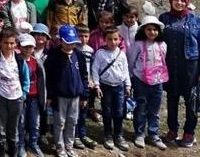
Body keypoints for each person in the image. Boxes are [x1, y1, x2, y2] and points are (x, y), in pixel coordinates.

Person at [159, 0, 200, 148]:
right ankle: (172, 130)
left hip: (190, 67)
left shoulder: (195, 19)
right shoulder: (164, 18)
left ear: (187, 1)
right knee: (172, 99)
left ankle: (189, 133)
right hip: (170, 65)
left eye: (183, 0)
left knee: (191, 101)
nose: (179, 3)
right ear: (171, 0)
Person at [44, 25, 89, 157]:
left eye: (73, 43)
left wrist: (85, 95)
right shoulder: (54, 56)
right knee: (60, 122)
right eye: (67, 43)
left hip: (75, 96)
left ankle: (69, 146)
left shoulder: (78, 55)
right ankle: (60, 146)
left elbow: (84, 75)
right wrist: (50, 95)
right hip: (60, 97)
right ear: (61, 40)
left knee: (73, 121)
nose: (70, 46)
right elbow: (49, 78)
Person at [127, 15, 169, 150]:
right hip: (141, 81)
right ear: (143, 30)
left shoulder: (162, 45)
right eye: (149, 29)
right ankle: (139, 134)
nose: (152, 32)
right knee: (141, 108)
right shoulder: (138, 44)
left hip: (158, 82)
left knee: (154, 110)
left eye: (155, 30)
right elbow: (131, 61)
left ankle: (153, 134)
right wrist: (131, 77)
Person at [0, 28, 30, 157]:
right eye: (6, 43)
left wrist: (24, 94)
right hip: (0, 97)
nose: (9, 46)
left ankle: (13, 153)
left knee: (14, 129)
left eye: (12, 43)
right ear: (0, 42)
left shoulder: (19, 60)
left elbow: (25, 78)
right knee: (0, 130)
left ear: (16, 44)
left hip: (17, 98)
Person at [91, 26, 131, 151]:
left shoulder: (121, 54)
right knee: (107, 111)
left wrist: (127, 85)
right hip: (106, 87)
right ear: (105, 40)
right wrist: (97, 85)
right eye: (110, 39)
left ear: (119, 39)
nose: (113, 42)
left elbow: (125, 70)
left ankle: (118, 135)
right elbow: (95, 70)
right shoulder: (100, 53)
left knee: (119, 112)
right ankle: (108, 135)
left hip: (119, 87)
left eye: (115, 39)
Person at [17, 33, 46, 157]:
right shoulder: (15, 61)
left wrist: (43, 97)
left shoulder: (36, 62)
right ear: (19, 47)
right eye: (25, 47)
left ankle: (34, 143)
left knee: (35, 122)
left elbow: (42, 80)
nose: (28, 50)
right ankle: (21, 145)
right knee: (21, 122)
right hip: (20, 96)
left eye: (30, 47)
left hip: (34, 96)